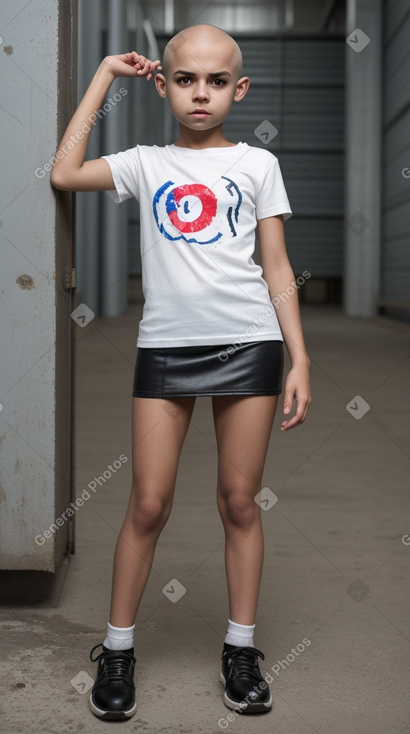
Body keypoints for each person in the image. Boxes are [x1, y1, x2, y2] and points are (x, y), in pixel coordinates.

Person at [51, 23, 311, 721]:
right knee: (147, 503)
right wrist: (105, 75)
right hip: (166, 349)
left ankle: (240, 648)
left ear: (238, 88)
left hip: (249, 344)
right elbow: (64, 173)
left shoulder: (256, 166)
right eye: (186, 80)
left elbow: (277, 266)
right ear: (163, 85)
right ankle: (117, 648)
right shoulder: (145, 162)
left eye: (217, 81)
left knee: (236, 501)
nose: (202, 93)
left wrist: (299, 356)